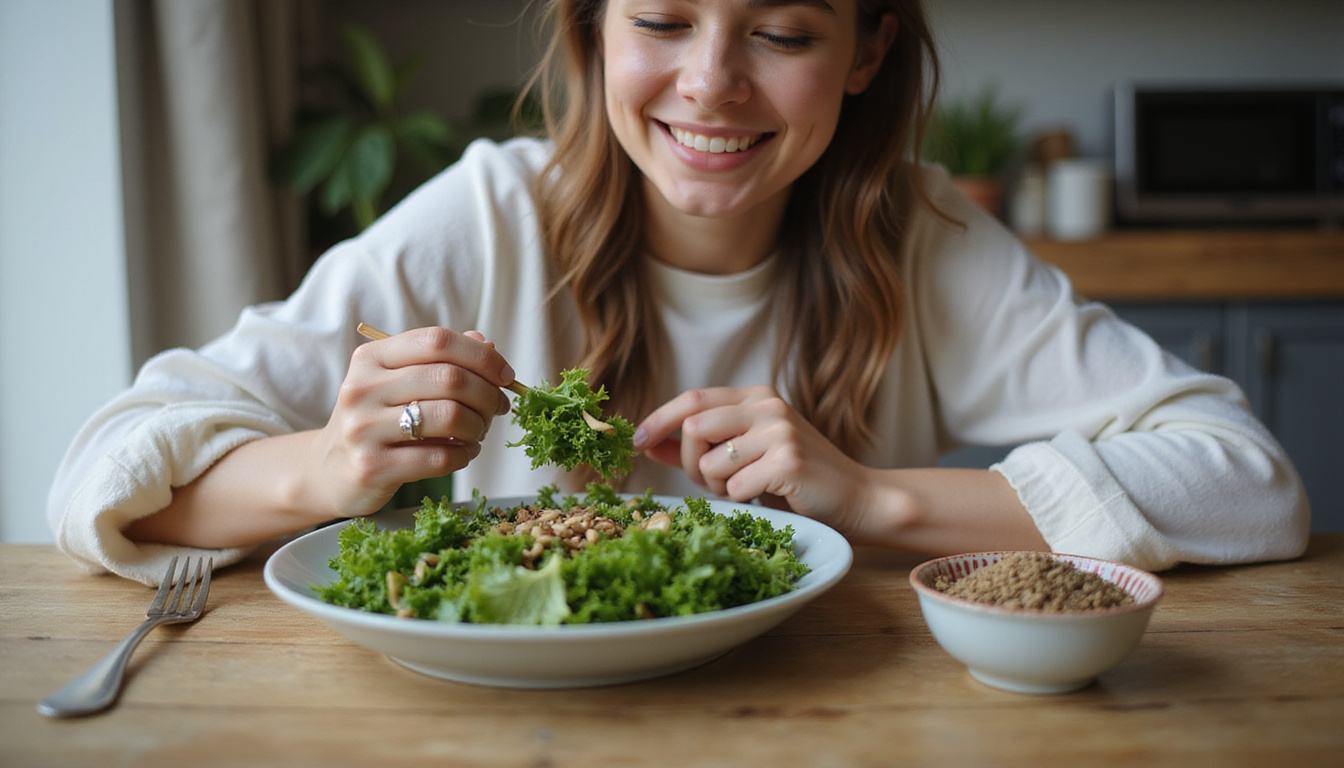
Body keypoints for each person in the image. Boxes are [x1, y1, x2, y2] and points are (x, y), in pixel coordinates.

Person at [49, 0, 1309, 586]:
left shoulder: (920, 237)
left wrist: (871, 495)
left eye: (783, 33)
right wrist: (325, 469)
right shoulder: (491, 214)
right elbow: (102, 470)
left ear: (867, 50)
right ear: (592, 29)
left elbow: (1250, 483)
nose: (710, 86)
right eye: (663, 18)